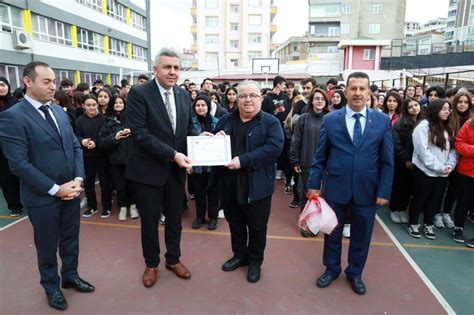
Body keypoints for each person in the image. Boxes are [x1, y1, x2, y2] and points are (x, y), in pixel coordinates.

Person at [0, 61, 94, 311]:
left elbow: (75, 147)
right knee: (47, 245)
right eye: (47, 81)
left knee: (71, 239)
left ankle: (71, 276)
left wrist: (78, 180)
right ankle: (51, 287)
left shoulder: (60, 112)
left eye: (54, 81)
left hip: (71, 192)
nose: (53, 86)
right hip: (42, 198)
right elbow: (19, 164)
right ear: (27, 81)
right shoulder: (12, 118)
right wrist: (55, 189)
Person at [306, 71, 394, 295]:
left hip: (367, 190)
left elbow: (387, 160)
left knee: (362, 236)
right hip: (336, 188)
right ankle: (332, 268)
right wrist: (313, 185)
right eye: (353, 88)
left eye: (362, 89)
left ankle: (355, 273)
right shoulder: (331, 119)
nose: (357, 93)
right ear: (344, 92)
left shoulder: (382, 121)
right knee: (332, 232)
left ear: (369, 93)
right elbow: (320, 156)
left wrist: (384, 190)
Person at [126, 48, 200, 288]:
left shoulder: (182, 95)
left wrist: (202, 139)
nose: (173, 72)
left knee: (175, 219)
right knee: (149, 220)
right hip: (148, 171)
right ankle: (151, 263)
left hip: (175, 172)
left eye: (177, 67)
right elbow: (140, 134)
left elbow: (188, 128)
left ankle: (173, 259)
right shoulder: (139, 93)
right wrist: (174, 154)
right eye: (167, 67)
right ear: (155, 68)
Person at [212, 80, 284, 283]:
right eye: (242, 96)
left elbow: (273, 148)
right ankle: (239, 255)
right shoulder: (225, 120)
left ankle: (254, 262)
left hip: (258, 185)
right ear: (235, 98)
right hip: (229, 184)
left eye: (252, 95)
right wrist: (213, 138)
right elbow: (215, 143)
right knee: (235, 224)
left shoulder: (270, 122)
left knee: (257, 227)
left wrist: (243, 161)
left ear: (261, 98)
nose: (247, 100)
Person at [408, 99, 457, 240]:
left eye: (448, 109)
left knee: (435, 199)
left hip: (443, 172)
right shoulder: (423, 127)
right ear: (435, 110)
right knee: (420, 197)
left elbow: (453, 150)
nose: (447, 111)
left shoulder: (449, 127)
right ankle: (413, 223)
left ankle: (428, 223)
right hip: (424, 171)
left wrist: (449, 165)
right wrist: (439, 167)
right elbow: (422, 151)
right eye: (444, 109)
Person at [97, 95, 139, 221]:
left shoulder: (131, 118)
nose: (119, 104)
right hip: (116, 159)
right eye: (116, 103)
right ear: (112, 105)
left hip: (132, 158)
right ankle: (123, 207)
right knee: (120, 185)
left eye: (121, 102)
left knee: (132, 184)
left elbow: (142, 135)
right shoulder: (107, 121)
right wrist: (115, 137)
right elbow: (101, 142)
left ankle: (133, 206)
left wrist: (132, 132)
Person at [75, 94, 112, 219]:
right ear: (84, 106)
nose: (91, 107)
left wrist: (95, 142)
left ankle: (106, 207)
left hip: (102, 155)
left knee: (105, 183)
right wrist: (82, 141)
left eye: (93, 105)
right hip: (86, 156)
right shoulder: (79, 120)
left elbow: (106, 135)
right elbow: (76, 136)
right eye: (88, 105)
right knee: (88, 183)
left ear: (97, 105)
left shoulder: (104, 119)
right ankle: (92, 206)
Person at [189, 95, 219, 230]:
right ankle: (200, 217)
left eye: (203, 105)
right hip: (197, 166)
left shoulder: (216, 122)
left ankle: (213, 218)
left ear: (208, 106)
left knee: (213, 193)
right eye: (197, 105)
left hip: (213, 166)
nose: (200, 108)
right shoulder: (189, 123)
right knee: (199, 192)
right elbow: (185, 140)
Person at [389, 97, 422, 224]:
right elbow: (396, 145)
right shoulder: (400, 123)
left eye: (416, 105)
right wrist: (406, 160)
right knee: (399, 185)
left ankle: (402, 208)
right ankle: (394, 209)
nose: (414, 108)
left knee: (409, 187)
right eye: (410, 107)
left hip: (418, 162)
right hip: (402, 162)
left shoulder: (424, 122)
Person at [0, 76, 22, 217]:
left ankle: (28, 200)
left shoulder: (17, 104)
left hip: (17, 147)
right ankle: (14, 205)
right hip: (1, 152)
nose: (0, 88)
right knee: (6, 179)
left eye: (2, 84)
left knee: (23, 175)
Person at [453, 118, 474, 246]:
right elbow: (459, 144)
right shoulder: (469, 123)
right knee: (463, 201)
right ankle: (458, 227)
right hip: (466, 171)